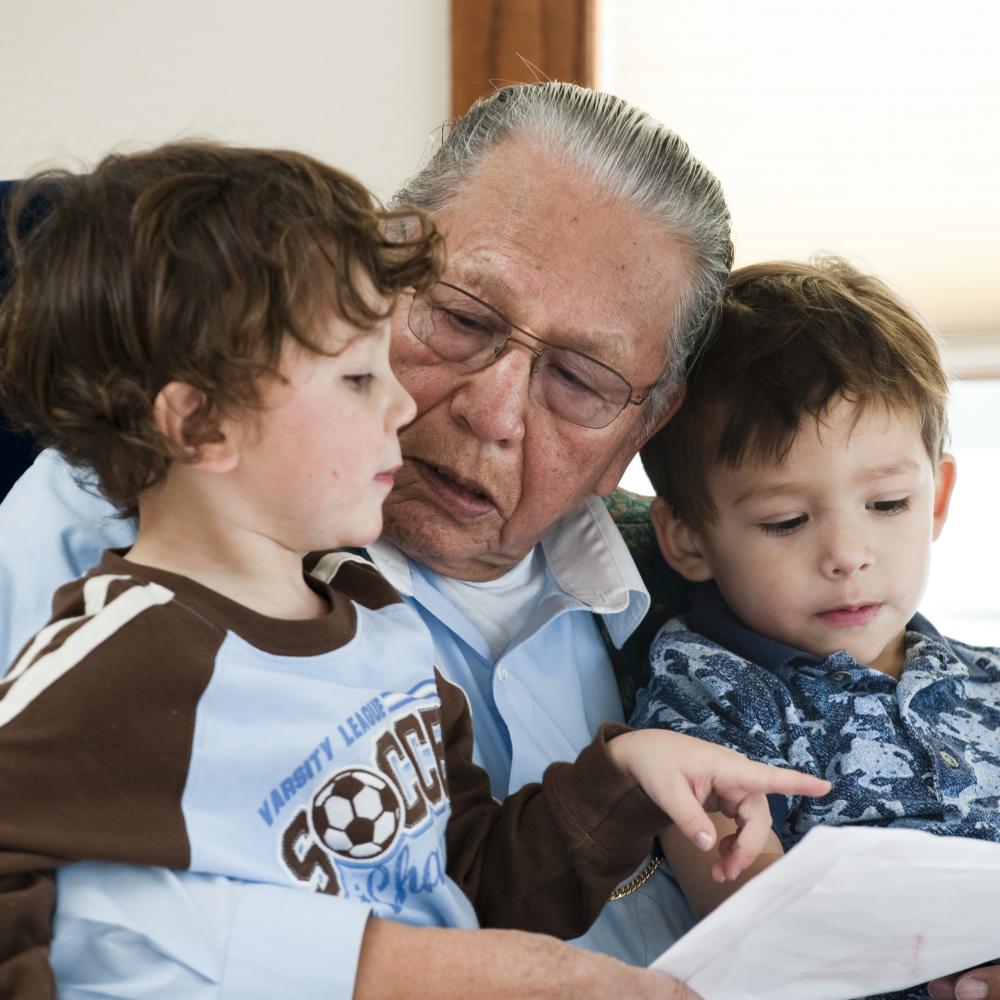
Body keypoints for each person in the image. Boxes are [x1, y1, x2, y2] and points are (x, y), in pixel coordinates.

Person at [0, 142, 832, 998]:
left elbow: (462, 869)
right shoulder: (111, 584)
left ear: (643, 429)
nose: (491, 410)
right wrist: (384, 968)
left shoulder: (387, 624)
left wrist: (625, 780)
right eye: (462, 319)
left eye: (580, 380)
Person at [630, 258, 1000, 999]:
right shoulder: (706, 707)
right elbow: (754, 927)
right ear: (689, 539)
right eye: (787, 522)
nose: (846, 557)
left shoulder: (987, 678)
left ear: (938, 498)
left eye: (888, 504)